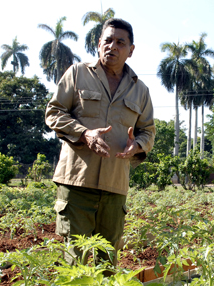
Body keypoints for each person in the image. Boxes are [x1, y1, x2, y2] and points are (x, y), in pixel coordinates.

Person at [45, 18, 155, 264]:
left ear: (131, 50)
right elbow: (53, 113)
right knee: (75, 263)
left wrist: (136, 145)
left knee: (107, 262)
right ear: (98, 44)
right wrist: (84, 133)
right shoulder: (77, 73)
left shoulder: (141, 90)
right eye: (107, 40)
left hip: (115, 188)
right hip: (77, 184)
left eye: (120, 42)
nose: (112, 47)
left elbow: (147, 131)